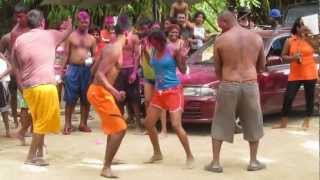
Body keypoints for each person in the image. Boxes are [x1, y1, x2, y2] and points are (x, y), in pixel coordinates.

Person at [204, 10, 266, 173]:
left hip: (228, 83)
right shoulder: (256, 37)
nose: (219, 28)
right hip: (250, 84)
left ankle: (216, 163)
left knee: (220, 122)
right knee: (254, 122)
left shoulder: (221, 40)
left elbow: (217, 68)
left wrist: (226, 80)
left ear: (224, 22)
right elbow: (262, 66)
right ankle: (253, 162)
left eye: (220, 25)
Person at [12, 9, 72, 166]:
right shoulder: (50, 34)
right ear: (42, 22)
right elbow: (67, 32)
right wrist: (69, 21)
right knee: (41, 123)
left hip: (28, 88)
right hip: (45, 85)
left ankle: (38, 153)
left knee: (39, 120)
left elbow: (14, 62)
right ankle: (31, 156)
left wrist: (20, 80)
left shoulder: (20, 39)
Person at [87, 15, 130, 178]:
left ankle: (108, 161)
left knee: (115, 128)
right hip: (100, 92)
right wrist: (115, 91)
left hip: (99, 91)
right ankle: (106, 166)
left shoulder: (108, 48)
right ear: (127, 33)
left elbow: (92, 70)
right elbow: (98, 74)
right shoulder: (115, 49)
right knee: (120, 129)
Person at [144, 29, 194, 168]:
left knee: (176, 126)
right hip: (159, 92)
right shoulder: (153, 51)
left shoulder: (172, 50)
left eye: (154, 41)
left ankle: (189, 156)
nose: (152, 44)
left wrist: (183, 57)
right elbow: (153, 66)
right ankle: (157, 153)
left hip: (173, 91)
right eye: (151, 42)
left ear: (160, 39)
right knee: (149, 124)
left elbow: (183, 70)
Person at [272, 17, 318, 130]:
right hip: (295, 74)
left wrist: (311, 35)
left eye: (305, 24)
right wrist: (293, 58)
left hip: (310, 73)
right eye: (302, 25)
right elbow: (283, 57)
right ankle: (283, 123)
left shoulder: (311, 39)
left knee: (309, 97)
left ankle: (307, 121)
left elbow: (318, 48)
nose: (304, 27)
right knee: (288, 97)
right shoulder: (290, 41)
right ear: (297, 27)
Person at [63, 10, 96, 134]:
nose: (84, 24)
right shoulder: (71, 36)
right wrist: (62, 70)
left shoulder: (92, 39)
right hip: (73, 69)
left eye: (86, 21)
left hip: (87, 70)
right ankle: (67, 124)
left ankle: (83, 123)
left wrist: (92, 64)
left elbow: (95, 56)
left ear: (89, 22)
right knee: (70, 98)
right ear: (78, 22)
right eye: (82, 21)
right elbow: (66, 54)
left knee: (86, 98)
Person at [139, 20, 168, 137]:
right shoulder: (145, 42)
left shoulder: (161, 45)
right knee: (147, 101)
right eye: (153, 28)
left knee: (161, 102)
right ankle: (151, 127)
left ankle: (164, 130)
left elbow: (155, 61)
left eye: (157, 28)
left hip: (159, 76)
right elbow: (144, 59)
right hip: (147, 75)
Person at [114, 17, 143, 133]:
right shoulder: (116, 37)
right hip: (119, 70)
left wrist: (134, 72)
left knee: (134, 99)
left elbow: (137, 56)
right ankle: (120, 123)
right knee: (119, 98)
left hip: (130, 68)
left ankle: (138, 123)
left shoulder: (134, 37)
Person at [9, 3, 30, 129]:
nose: (18, 20)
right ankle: (23, 129)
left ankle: (35, 129)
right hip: (23, 72)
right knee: (24, 104)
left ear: (27, 15)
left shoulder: (35, 27)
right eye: (16, 17)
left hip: (36, 69)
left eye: (21, 17)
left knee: (36, 104)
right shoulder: (15, 33)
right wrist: (17, 77)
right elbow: (13, 56)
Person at [0, 53, 11, 137]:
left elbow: (10, 67)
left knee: (4, 108)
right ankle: (7, 129)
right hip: (3, 81)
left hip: (2, 83)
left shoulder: (2, 57)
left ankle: (7, 129)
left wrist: (1, 76)